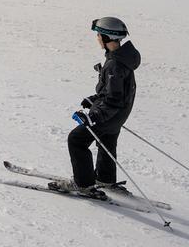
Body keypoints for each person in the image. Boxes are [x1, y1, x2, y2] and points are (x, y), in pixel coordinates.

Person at [49, 17, 140, 200]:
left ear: (108, 38)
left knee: (76, 140)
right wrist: (95, 100)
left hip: (108, 116)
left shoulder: (114, 65)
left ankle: (83, 184)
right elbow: (115, 93)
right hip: (118, 117)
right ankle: (105, 179)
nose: (97, 38)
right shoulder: (122, 59)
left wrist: (94, 116)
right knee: (107, 142)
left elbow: (113, 99)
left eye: (99, 35)